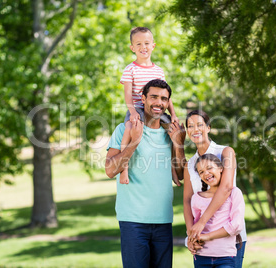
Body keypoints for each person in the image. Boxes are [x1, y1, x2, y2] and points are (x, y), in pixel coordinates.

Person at [105, 79, 186, 268]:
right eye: (154, 97)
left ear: (168, 103)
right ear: (143, 99)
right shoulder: (124, 130)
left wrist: (179, 144)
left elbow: (180, 175)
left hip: (164, 219)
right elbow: (110, 170)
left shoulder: (170, 133)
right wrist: (134, 142)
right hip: (133, 220)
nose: (159, 102)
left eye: (164, 99)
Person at [183, 110, 247, 268]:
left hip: (228, 241)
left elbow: (226, 187)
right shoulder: (190, 164)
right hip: (202, 243)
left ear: (208, 127)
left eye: (200, 125)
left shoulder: (226, 152)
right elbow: (187, 200)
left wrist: (201, 222)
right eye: (190, 126)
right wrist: (191, 235)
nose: (195, 129)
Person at [119, 27, 179, 184]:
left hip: (157, 110)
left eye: (146, 43)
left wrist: (173, 114)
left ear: (153, 45)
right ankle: (123, 169)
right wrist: (132, 111)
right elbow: (127, 94)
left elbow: (167, 95)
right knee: (129, 129)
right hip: (138, 108)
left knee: (174, 133)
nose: (143, 47)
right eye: (138, 44)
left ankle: (172, 169)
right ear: (132, 48)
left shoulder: (158, 71)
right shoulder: (129, 69)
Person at [191, 154, 245, 268]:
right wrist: (192, 240)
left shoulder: (234, 193)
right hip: (201, 256)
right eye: (201, 172)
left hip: (225, 256)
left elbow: (236, 226)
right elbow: (195, 228)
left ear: (221, 168)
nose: (206, 173)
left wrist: (208, 236)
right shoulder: (197, 198)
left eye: (209, 168)